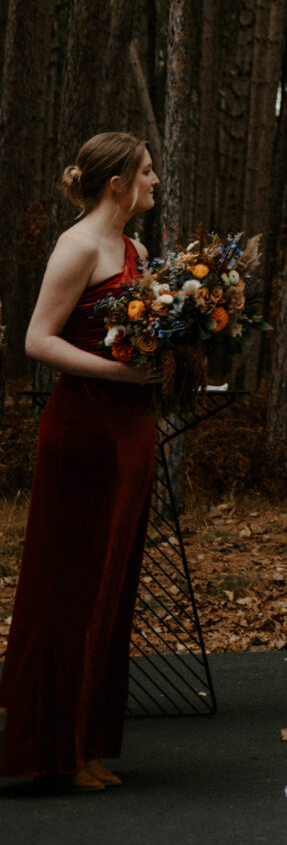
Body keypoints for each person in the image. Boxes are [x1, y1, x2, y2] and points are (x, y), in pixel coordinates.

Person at [1, 132, 159, 791]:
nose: (155, 180)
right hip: (83, 430)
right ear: (116, 183)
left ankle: (87, 744)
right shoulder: (77, 246)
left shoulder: (136, 250)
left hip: (128, 433)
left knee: (109, 589)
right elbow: (38, 339)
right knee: (68, 586)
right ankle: (47, 751)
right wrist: (119, 376)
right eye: (146, 171)